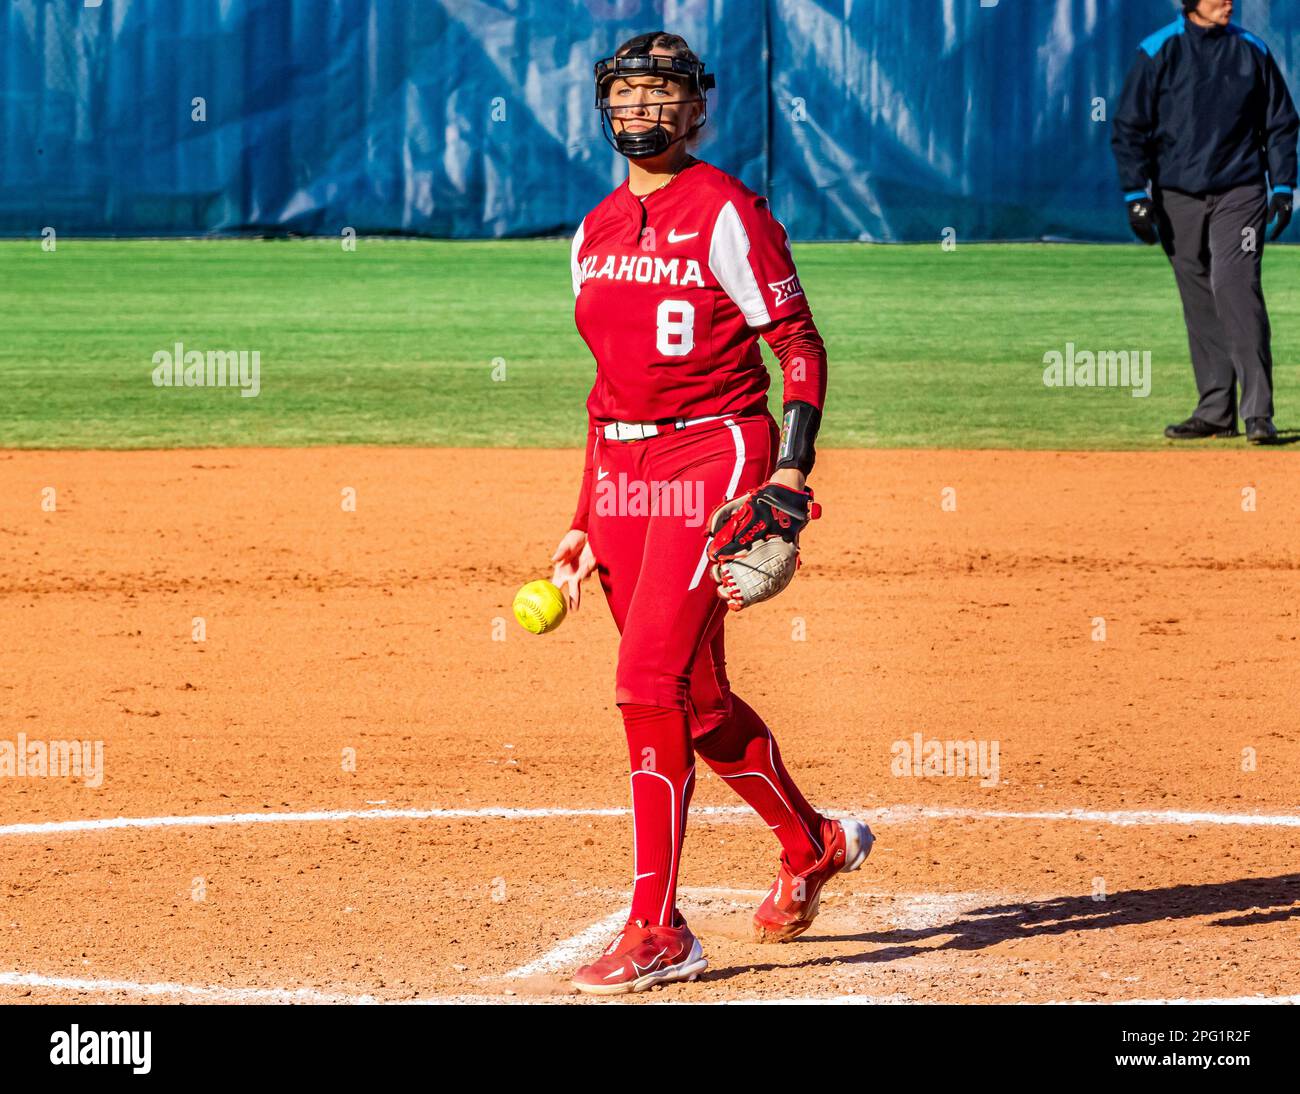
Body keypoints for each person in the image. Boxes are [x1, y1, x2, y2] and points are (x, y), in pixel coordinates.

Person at [550, 31, 873, 996]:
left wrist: (787, 477)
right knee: (691, 700)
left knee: (645, 682)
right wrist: (580, 514)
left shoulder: (728, 211)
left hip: (715, 454)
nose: (639, 109)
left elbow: (800, 346)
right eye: (626, 92)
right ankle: (811, 843)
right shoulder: (594, 230)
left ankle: (658, 929)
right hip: (622, 473)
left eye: (660, 94)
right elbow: (608, 390)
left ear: (695, 110)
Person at [1112, 0, 1297, 445]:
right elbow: (1129, 128)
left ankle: (1258, 415)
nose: (1228, 1)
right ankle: (1215, 410)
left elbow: (1281, 124)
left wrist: (1284, 187)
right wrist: (1137, 195)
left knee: (1234, 286)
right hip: (1178, 195)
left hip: (1241, 190)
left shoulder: (1252, 49)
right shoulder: (1159, 50)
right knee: (1198, 297)